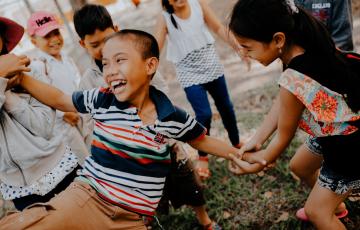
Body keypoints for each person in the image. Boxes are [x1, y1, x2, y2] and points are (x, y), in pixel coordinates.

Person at [0, 30, 260, 229]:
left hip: (134, 218)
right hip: (89, 197)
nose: (110, 71)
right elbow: (60, 99)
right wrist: (21, 78)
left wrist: (240, 155)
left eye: (119, 61)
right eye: (105, 64)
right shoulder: (102, 98)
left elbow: (203, 141)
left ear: (149, 66)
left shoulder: (170, 117)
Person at [73, 5, 220, 229]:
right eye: (95, 45)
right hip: (129, 158)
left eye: (108, 39)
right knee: (144, 201)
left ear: (117, 29)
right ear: (82, 44)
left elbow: (161, 89)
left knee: (189, 184)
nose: (104, 49)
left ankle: (205, 221)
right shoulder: (88, 82)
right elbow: (90, 120)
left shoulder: (136, 59)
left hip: (163, 143)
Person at [227, 0, 360, 229]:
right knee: (300, 166)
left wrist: (259, 162)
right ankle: (336, 208)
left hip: (349, 145)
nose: (244, 54)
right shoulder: (308, 45)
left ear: (278, 39)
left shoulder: (294, 76)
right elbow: (283, 102)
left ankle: (327, 211)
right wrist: (257, 140)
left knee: (316, 212)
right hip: (339, 130)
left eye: (247, 47)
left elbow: (282, 138)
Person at [155, 0, 242, 181]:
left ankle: (236, 143)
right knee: (203, 114)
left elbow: (218, 28)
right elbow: (156, 47)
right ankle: (203, 156)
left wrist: (237, 45)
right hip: (189, 74)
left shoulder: (198, 5)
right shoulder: (165, 18)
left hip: (212, 67)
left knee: (226, 107)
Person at [0, 17, 80, 211]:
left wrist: (10, 96)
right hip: (19, 187)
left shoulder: (27, 72)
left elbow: (43, 126)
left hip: (59, 167)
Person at [27, 11, 89, 164]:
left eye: (56, 33)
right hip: (64, 125)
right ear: (34, 41)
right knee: (83, 159)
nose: (54, 39)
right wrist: (63, 114)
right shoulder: (37, 66)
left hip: (82, 115)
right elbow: (39, 98)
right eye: (47, 36)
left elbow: (77, 83)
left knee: (94, 149)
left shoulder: (67, 58)